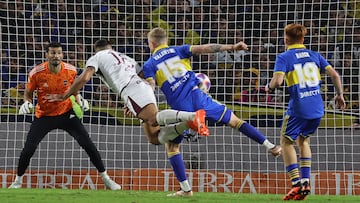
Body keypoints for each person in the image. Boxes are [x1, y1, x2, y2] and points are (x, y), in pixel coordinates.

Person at [143, 27, 282, 197]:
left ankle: (186, 189)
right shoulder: (179, 50)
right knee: (236, 122)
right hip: (199, 97)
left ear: (151, 43)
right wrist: (232, 47)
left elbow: (150, 87)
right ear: (166, 41)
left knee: (172, 146)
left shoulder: (149, 64)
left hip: (180, 106)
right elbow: (205, 48)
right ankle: (271, 146)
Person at [45, 39, 209, 147]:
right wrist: (130, 102)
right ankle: (188, 123)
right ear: (112, 48)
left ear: (97, 50)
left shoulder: (97, 56)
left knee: (152, 119)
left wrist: (65, 95)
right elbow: (142, 74)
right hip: (138, 90)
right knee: (154, 138)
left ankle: (191, 117)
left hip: (132, 90)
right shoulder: (125, 57)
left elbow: (85, 78)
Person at [8, 42, 121, 190]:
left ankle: (106, 178)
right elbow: (28, 94)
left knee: (87, 144)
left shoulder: (71, 70)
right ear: (46, 55)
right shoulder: (36, 72)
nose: (56, 56)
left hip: (66, 114)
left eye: (59, 53)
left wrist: (80, 101)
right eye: (53, 53)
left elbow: (74, 90)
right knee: (29, 148)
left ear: (62, 55)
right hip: (44, 116)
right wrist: (27, 103)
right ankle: (17, 181)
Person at [264, 23, 346, 200]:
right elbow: (335, 75)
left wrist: (268, 88)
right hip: (317, 108)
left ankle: (296, 184)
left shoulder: (284, 57)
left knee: (286, 141)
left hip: (298, 108)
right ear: (303, 39)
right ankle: (306, 181)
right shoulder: (315, 55)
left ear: (286, 39)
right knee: (304, 140)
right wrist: (339, 95)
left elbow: (277, 82)